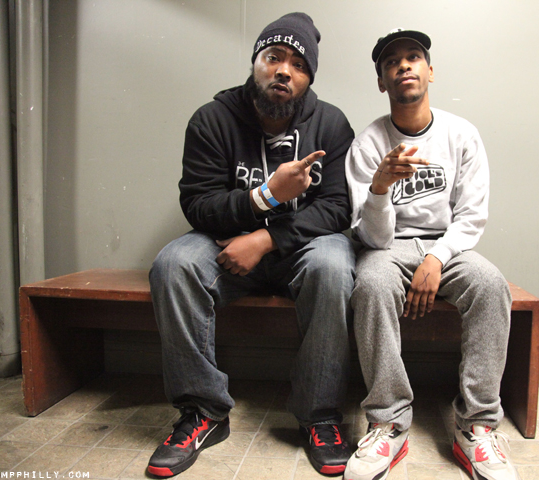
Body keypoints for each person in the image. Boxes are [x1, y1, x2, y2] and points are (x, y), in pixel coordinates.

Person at [147, 12, 355, 477]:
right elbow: (198, 205)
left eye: (298, 65)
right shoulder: (213, 119)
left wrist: (265, 238)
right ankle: (203, 411)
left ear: (308, 78)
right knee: (174, 264)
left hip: (298, 251)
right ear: (256, 62)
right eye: (273, 57)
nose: (284, 70)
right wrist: (265, 197)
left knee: (334, 265)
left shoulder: (330, 123)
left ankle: (319, 414)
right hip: (228, 248)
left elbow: (338, 207)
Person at [344, 29, 519, 480]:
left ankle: (477, 426)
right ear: (381, 81)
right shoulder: (368, 144)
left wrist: (437, 258)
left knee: (490, 284)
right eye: (392, 62)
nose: (404, 65)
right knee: (371, 283)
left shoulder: (461, 134)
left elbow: (472, 216)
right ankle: (388, 421)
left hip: (449, 243)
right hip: (390, 246)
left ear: (430, 71)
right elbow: (374, 239)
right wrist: (379, 188)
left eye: (414, 57)